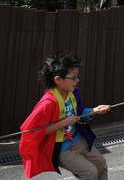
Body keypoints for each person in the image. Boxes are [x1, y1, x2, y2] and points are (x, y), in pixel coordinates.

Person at [19, 51, 111, 180]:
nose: (77, 80)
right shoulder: (47, 104)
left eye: (78, 76)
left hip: (78, 139)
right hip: (62, 148)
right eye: (73, 77)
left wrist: (94, 110)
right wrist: (64, 123)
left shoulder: (73, 92)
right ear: (58, 80)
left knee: (101, 166)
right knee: (90, 173)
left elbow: (79, 114)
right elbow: (30, 131)